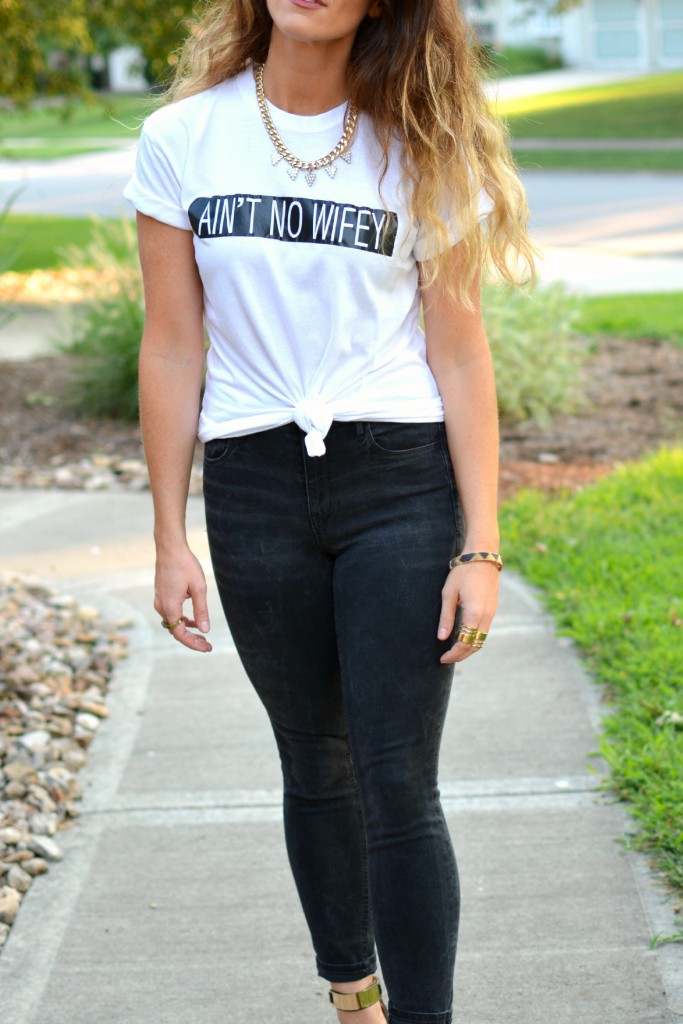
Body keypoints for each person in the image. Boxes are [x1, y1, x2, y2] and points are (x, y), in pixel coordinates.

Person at [123, 1, 534, 1021]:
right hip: (256, 487)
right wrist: (169, 536)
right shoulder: (183, 140)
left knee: (396, 779)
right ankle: (352, 994)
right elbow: (173, 347)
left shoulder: (419, 144)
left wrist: (479, 543)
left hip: (397, 480)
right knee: (314, 763)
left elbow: (458, 352)